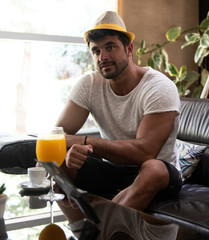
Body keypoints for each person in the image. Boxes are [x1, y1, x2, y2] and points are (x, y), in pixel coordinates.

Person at [55, 10, 182, 223]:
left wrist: (84, 141)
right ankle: (80, 230)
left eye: (110, 47)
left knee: (153, 169)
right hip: (112, 169)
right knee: (57, 162)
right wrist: (67, 154)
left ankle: (103, 229)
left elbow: (145, 152)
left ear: (129, 48)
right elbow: (58, 134)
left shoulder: (159, 87)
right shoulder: (89, 84)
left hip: (155, 174)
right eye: (96, 51)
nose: (102, 57)